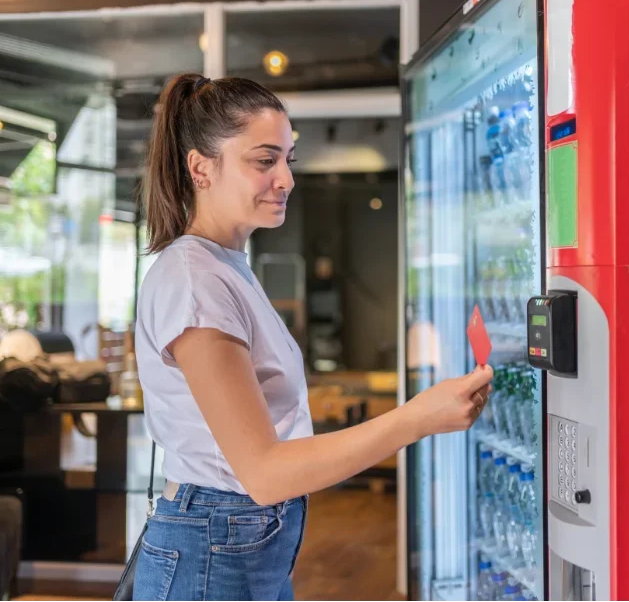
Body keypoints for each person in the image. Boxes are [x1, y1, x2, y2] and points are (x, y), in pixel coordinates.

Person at [132, 73, 493, 602]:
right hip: (215, 545)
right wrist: (417, 419)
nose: (286, 179)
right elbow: (264, 472)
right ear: (200, 167)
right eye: (264, 160)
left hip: (236, 541)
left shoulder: (225, 266)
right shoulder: (195, 279)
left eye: (288, 159)